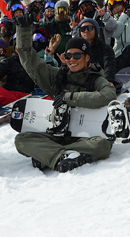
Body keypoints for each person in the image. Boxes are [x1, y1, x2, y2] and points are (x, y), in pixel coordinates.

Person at [12, 19, 118, 173]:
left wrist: (70, 98)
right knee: (21, 140)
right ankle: (62, 156)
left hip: (85, 138)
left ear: (87, 57)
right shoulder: (58, 77)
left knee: (103, 145)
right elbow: (30, 63)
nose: (72, 60)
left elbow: (108, 95)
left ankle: (47, 154)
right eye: (68, 56)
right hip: (58, 133)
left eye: (77, 56)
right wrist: (23, 28)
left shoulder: (96, 78)